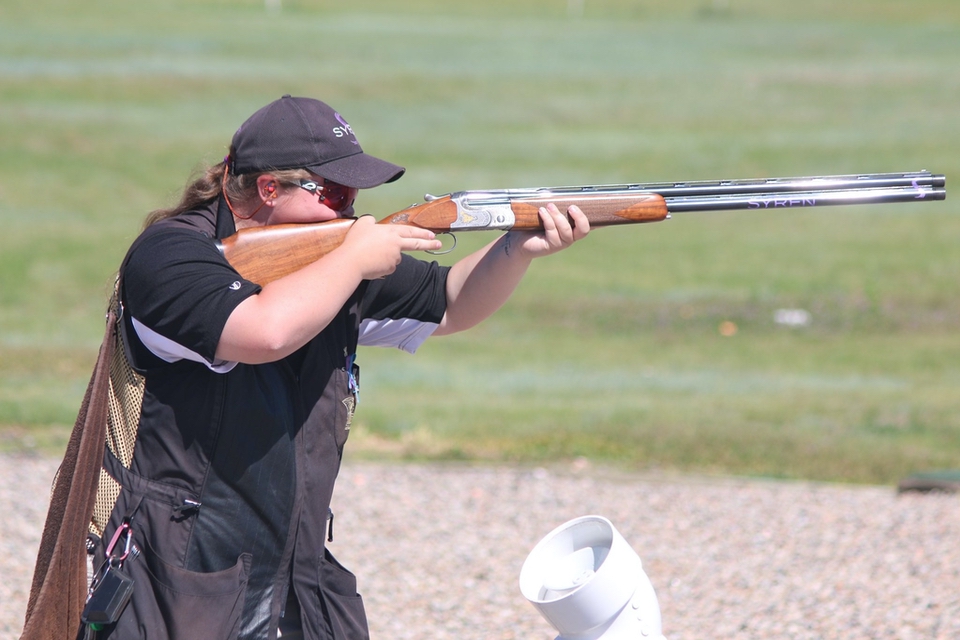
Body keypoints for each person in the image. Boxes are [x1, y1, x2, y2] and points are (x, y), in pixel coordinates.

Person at [88, 95, 589, 639]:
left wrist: (515, 249)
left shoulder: (333, 255)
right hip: (181, 572)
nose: (351, 210)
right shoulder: (170, 258)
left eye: (354, 193)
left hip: (294, 570)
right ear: (269, 189)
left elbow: (448, 301)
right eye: (333, 192)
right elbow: (264, 330)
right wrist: (353, 258)